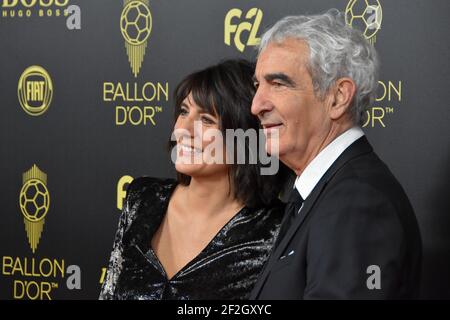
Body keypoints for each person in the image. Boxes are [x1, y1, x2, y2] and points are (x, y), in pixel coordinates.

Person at [250, 10, 422, 299]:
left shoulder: (358, 202)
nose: (256, 105)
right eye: (258, 85)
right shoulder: (324, 192)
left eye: (278, 84)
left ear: (338, 97)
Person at [99, 59, 286, 300]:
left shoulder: (275, 230)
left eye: (206, 120)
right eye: (184, 111)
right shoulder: (142, 198)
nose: (183, 129)